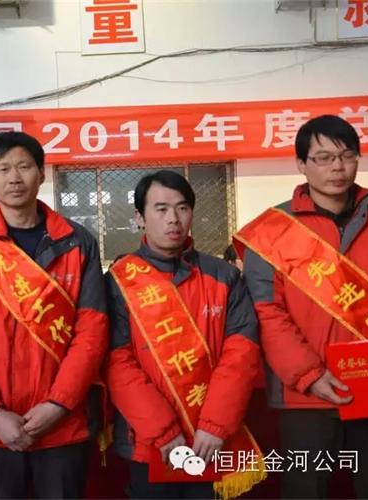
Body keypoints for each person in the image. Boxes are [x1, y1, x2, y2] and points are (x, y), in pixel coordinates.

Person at [0, 131, 109, 498]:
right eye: (3, 169)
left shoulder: (77, 242)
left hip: (62, 423)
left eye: (24, 167)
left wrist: (59, 404)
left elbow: (92, 330)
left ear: (41, 174)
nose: (14, 178)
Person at [234, 115, 368, 499]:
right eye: (323, 157)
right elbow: (268, 314)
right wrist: (310, 375)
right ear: (302, 164)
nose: (337, 167)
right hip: (305, 396)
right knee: (306, 489)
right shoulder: (272, 231)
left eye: (346, 156)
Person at [105, 170, 263, 499]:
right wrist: (163, 432)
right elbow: (117, 362)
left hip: (214, 439)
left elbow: (241, 354)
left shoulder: (224, 276)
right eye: (161, 209)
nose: (173, 219)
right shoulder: (118, 282)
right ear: (139, 217)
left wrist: (215, 426)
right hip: (149, 441)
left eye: (182, 208)